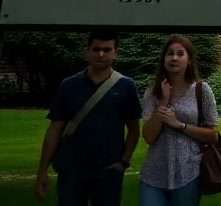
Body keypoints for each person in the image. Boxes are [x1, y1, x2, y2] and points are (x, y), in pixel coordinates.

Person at [36, 31, 142, 206]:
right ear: (87, 51)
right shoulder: (69, 85)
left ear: (116, 53)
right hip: (71, 170)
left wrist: (124, 161)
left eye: (107, 50)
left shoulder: (126, 86)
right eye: (96, 49)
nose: (101, 54)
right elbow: (55, 128)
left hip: (108, 170)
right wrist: (42, 171)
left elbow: (134, 129)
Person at [139, 35, 220, 205]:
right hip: (154, 173)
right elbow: (149, 137)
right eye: (170, 54)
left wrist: (179, 125)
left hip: (189, 172)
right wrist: (163, 101)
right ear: (163, 59)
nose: (174, 58)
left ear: (189, 60)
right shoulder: (151, 94)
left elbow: (213, 135)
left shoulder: (201, 90)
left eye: (180, 53)